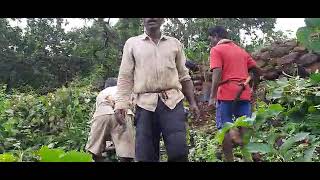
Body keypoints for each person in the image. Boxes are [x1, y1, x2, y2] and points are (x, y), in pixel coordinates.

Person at [114, 18, 200, 162]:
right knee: (145, 155)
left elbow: (184, 76)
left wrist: (193, 103)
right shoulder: (132, 44)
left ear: (163, 20)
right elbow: (125, 76)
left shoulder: (174, 44)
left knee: (179, 152)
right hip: (144, 104)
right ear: (142, 19)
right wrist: (120, 104)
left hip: (173, 102)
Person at [207, 26, 260, 162]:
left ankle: (230, 156)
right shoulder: (241, 51)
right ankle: (248, 157)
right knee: (245, 128)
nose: (210, 42)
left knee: (224, 129)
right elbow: (255, 71)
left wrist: (212, 96)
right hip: (243, 93)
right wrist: (253, 88)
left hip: (226, 94)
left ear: (216, 36)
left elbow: (217, 72)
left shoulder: (216, 50)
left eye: (210, 38)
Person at [85, 78, 135, 162]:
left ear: (106, 86)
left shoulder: (102, 93)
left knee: (95, 148)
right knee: (126, 150)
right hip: (122, 112)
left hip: (103, 113)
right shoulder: (122, 90)